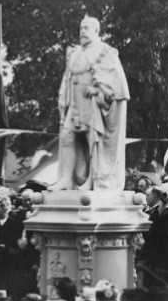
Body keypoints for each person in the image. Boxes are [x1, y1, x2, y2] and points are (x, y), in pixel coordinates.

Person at [51, 15, 130, 191]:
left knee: (93, 140)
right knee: (67, 138)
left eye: (86, 28)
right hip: (74, 103)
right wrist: (63, 97)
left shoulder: (105, 51)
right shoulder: (74, 53)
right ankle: (66, 179)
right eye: (81, 28)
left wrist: (98, 91)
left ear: (96, 31)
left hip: (91, 103)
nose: (82, 32)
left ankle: (92, 181)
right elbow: (67, 77)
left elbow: (116, 82)